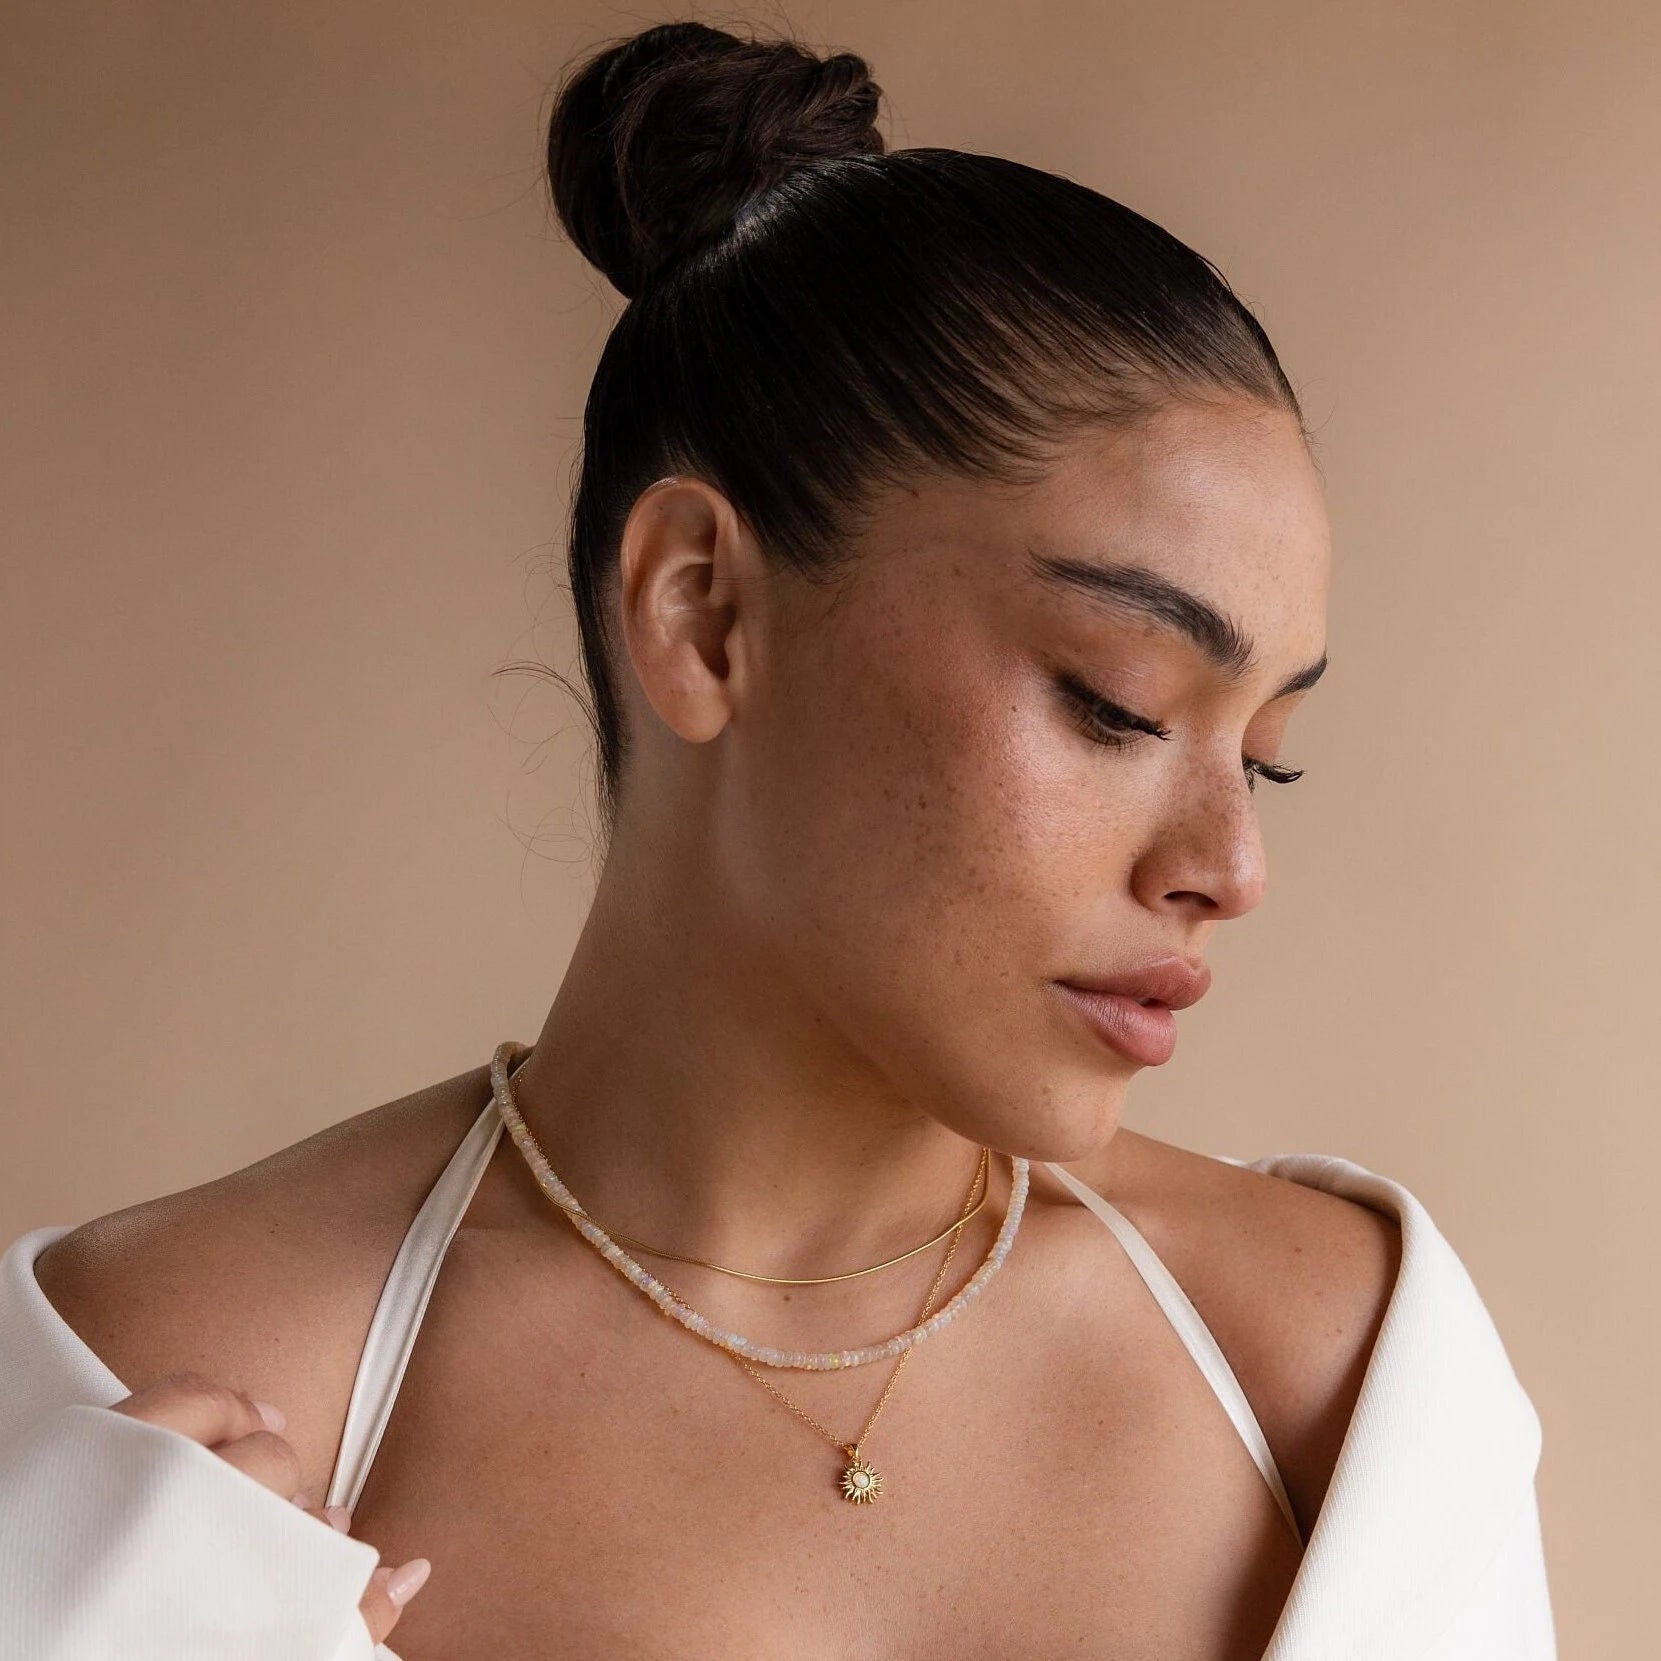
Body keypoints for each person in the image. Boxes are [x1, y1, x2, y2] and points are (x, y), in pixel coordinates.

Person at [0, 19, 1554, 1660]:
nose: (1228, 868)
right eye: (1114, 703)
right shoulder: (146, 1395)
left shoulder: (1342, 1380)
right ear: (706, 611)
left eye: (1268, 757)